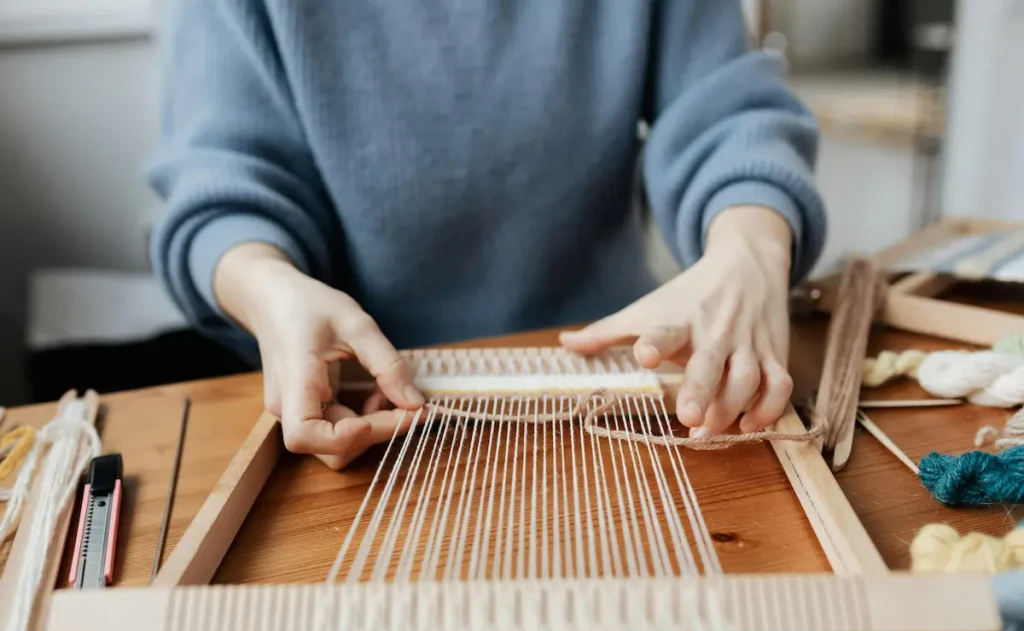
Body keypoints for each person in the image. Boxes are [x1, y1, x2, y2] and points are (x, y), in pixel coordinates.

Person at [148, 0, 827, 470]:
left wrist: (751, 246)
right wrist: (270, 287)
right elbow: (223, 187)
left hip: (627, 386)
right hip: (368, 415)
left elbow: (726, 114)